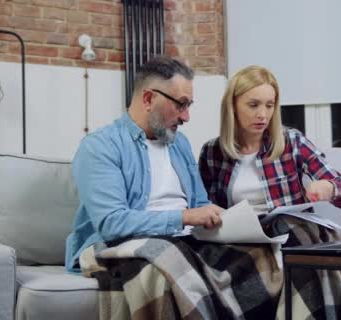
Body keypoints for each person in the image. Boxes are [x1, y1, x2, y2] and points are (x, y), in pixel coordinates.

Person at [199, 65, 341, 319]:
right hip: (244, 241)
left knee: (297, 244)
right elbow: (206, 207)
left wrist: (328, 188)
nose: (263, 114)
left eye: (269, 105)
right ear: (232, 105)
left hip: (294, 233)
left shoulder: (291, 141)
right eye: (253, 105)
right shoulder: (212, 152)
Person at [65, 56, 223, 273]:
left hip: (183, 243)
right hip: (124, 245)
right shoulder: (100, 146)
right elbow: (113, 224)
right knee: (170, 258)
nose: (186, 117)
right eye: (181, 104)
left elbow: (200, 205)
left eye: (189, 105)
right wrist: (184, 217)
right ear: (148, 99)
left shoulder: (180, 144)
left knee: (258, 255)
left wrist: (224, 220)